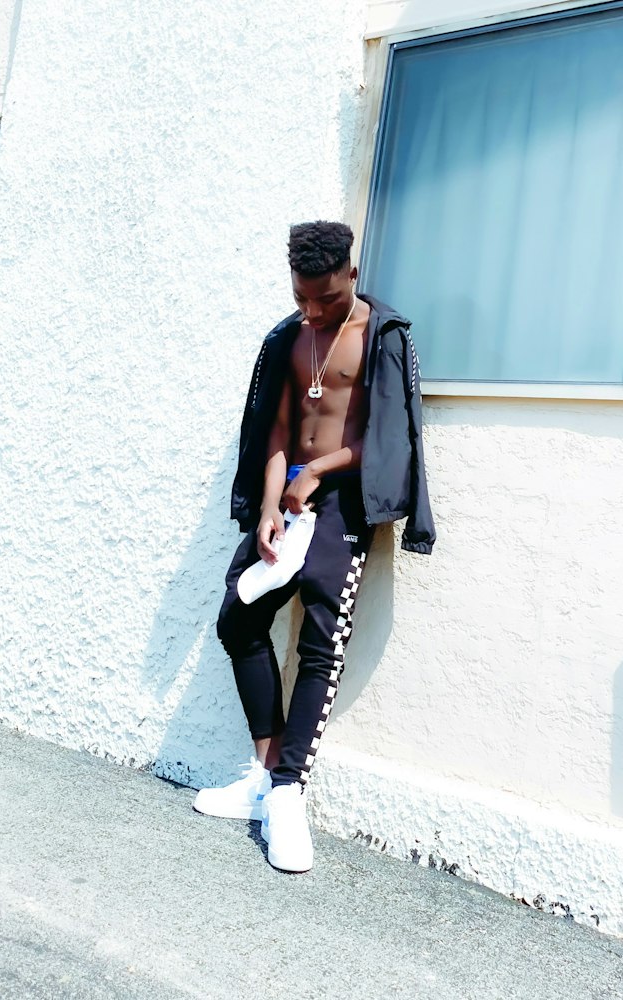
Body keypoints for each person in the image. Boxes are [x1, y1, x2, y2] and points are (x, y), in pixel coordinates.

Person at [194, 221, 435, 872]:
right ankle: (266, 777)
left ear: (350, 278)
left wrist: (318, 475)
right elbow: (276, 430)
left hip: (344, 501)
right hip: (289, 496)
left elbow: (386, 437)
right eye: (301, 296)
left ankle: (289, 794)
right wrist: (272, 505)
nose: (311, 311)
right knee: (237, 617)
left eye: (324, 299)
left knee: (321, 643)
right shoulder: (290, 337)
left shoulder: (383, 337)